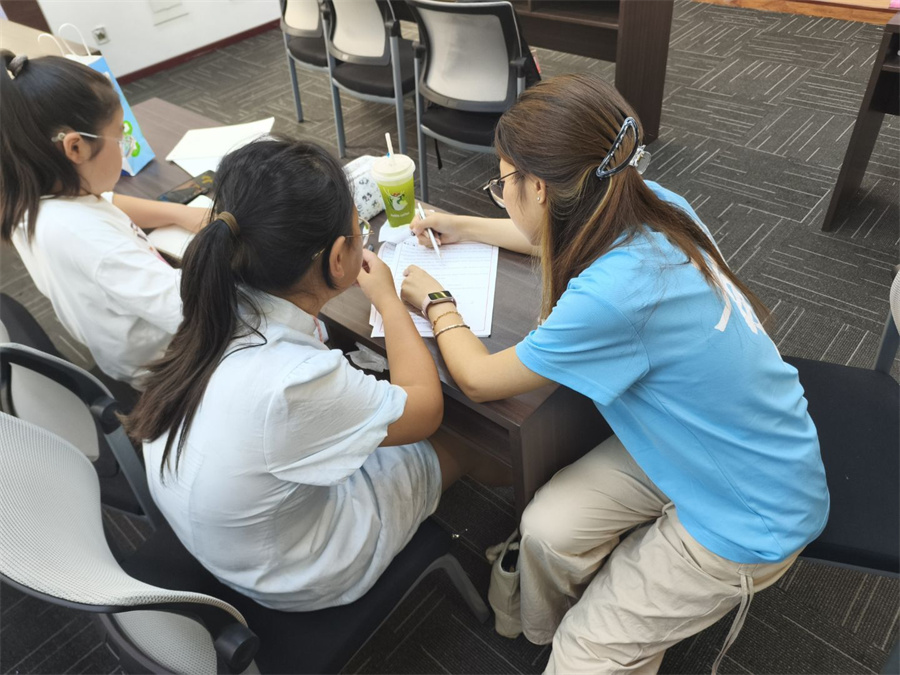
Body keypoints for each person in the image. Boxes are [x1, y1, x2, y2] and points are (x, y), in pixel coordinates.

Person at [402, 73, 829, 674]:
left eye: (501, 186)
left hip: (750, 511)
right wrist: (463, 224)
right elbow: (552, 237)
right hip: (704, 442)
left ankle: (583, 647)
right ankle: (545, 629)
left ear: (540, 189)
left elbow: (477, 378)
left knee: (583, 657)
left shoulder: (613, 296)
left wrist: (436, 302)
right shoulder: (649, 200)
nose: (501, 197)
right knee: (547, 530)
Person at [124, 138, 506, 611]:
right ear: (337, 259)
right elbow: (426, 411)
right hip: (295, 573)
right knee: (475, 437)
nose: (363, 236)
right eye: (359, 229)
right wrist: (389, 301)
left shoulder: (216, 296)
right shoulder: (292, 382)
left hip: (221, 536)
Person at [0, 51, 206, 387]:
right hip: (173, 367)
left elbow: (107, 200)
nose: (124, 147)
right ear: (75, 148)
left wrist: (181, 212)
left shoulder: (29, 196)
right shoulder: (88, 239)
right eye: (120, 136)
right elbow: (193, 310)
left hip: (129, 348)